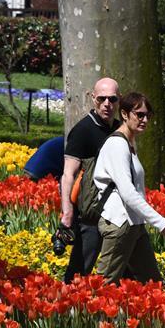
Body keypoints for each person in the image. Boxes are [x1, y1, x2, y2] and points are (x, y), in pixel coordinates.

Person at [92, 92, 165, 283]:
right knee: (103, 285)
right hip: (120, 223)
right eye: (139, 114)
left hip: (134, 224)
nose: (144, 120)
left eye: (148, 115)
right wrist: (160, 222)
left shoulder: (129, 143)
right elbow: (128, 192)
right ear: (124, 114)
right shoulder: (117, 145)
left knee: (152, 284)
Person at [60, 77, 121, 284]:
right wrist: (67, 212)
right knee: (80, 268)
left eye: (112, 99)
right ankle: (68, 300)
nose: (107, 104)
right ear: (92, 98)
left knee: (123, 269)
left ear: (118, 99)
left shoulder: (121, 129)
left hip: (117, 211)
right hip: (90, 213)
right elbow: (68, 174)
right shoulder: (83, 130)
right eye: (101, 99)